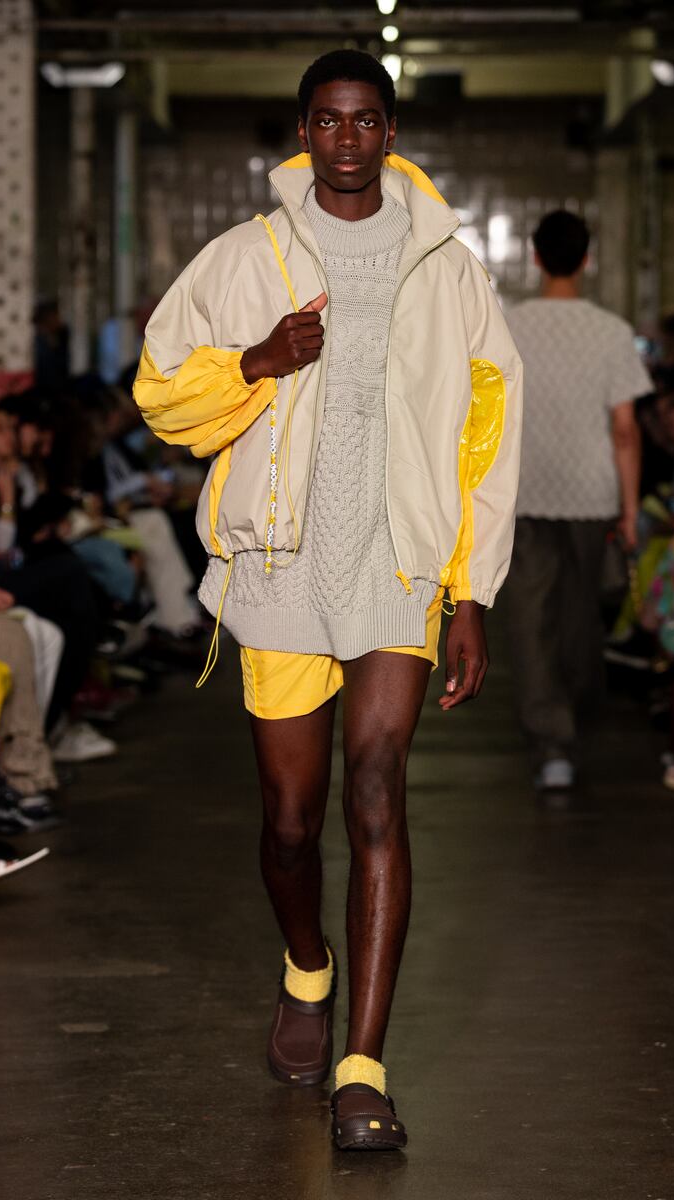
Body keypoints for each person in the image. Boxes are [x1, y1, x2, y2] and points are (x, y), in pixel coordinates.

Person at [134, 50, 522, 1150]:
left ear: (390, 132)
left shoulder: (444, 268)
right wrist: (252, 362)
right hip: (280, 563)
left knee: (375, 794)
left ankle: (363, 1067)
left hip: (396, 563)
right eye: (326, 121)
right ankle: (305, 966)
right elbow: (160, 388)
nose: (346, 140)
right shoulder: (243, 257)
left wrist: (469, 589)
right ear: (300, 132)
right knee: (291, 823)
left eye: (365, 122)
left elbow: (486, 429)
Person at [503, 209, 651, 790]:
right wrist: (632, 509)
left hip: (524, 489)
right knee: (582, 616)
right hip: (593, 493)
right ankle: (573, 716)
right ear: (586, 259)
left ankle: (552, 740)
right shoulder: (612, 332)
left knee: (529, 619)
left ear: (536, 257)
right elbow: (625, 429)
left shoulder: (508, 327)